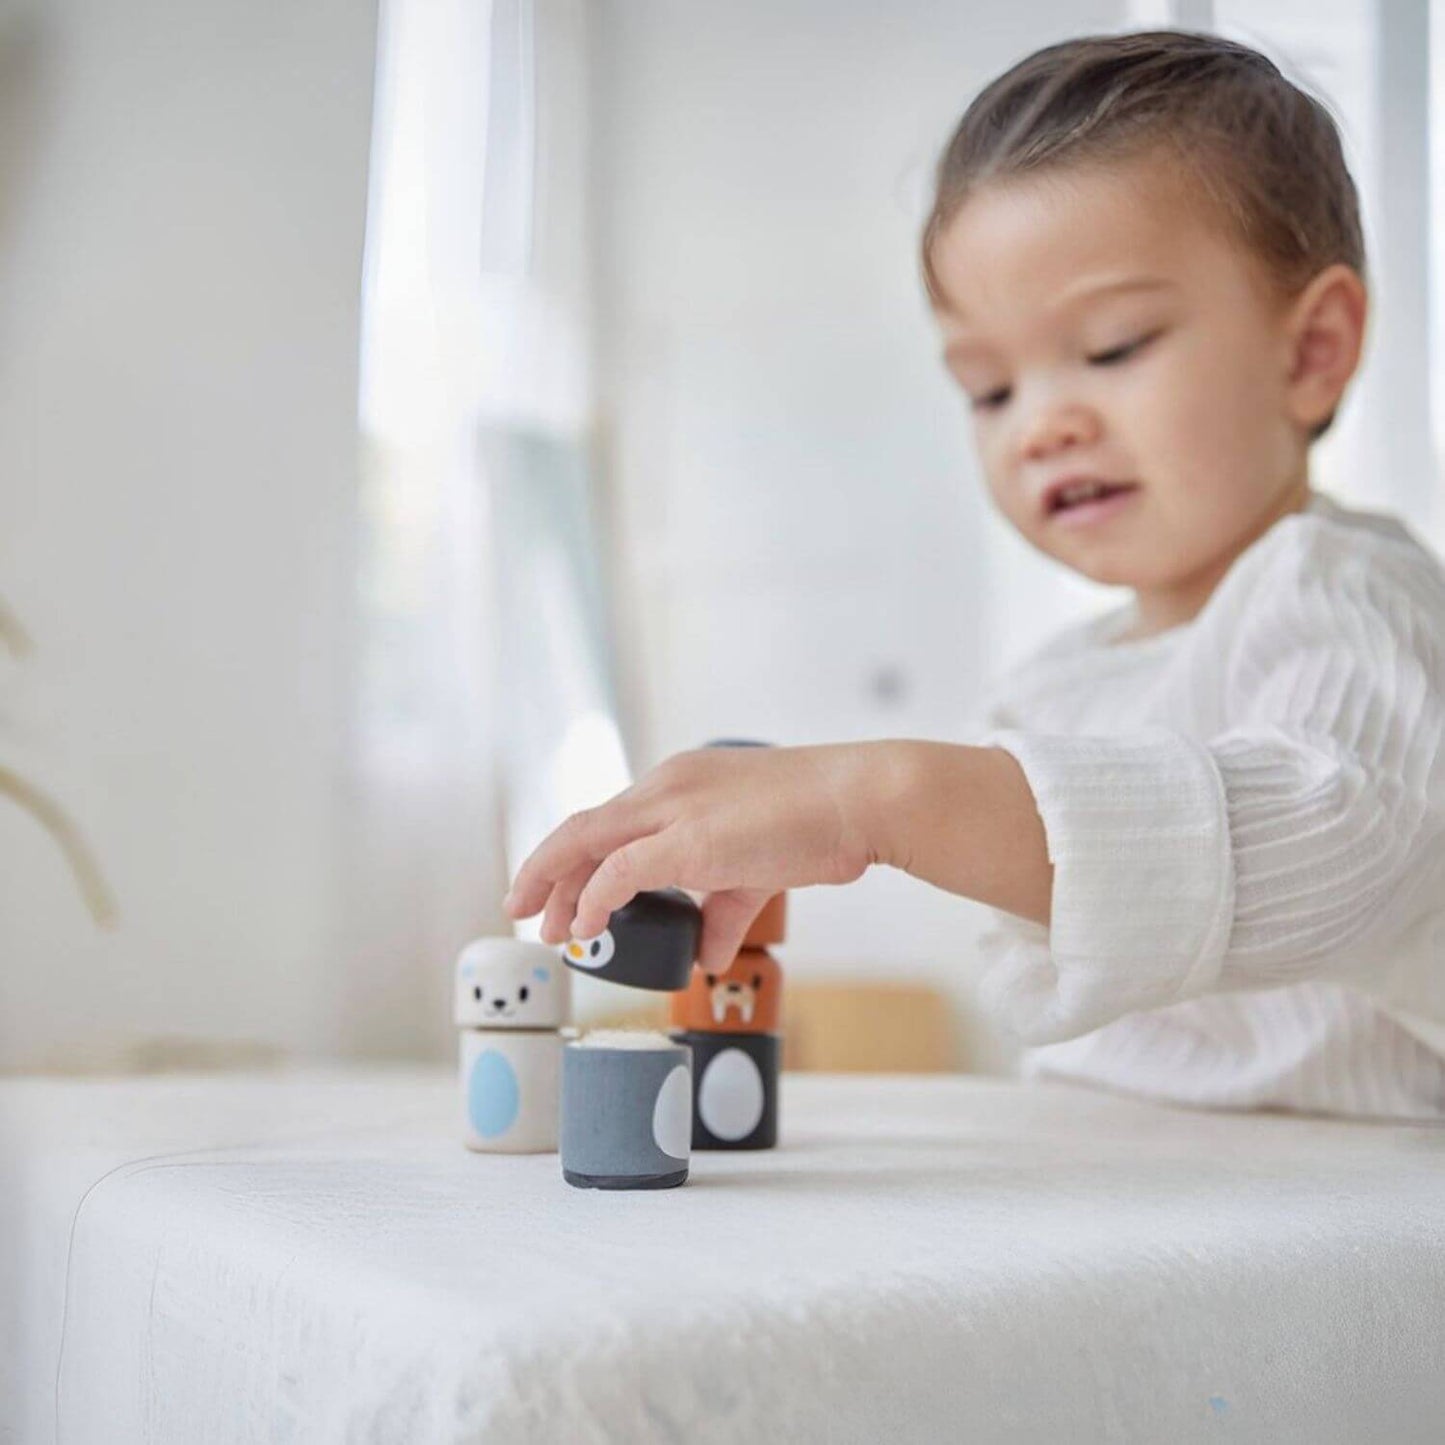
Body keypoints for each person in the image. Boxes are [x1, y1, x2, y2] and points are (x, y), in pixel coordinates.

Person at [506, 30, 1445, 1119]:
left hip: (1358, 1217)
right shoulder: (1052, 688)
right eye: (989, 390)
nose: (1041, 423)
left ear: (1309, 350)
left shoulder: (1348, 592)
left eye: (1111, 346)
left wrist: (874, 797)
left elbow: (1332, 842)